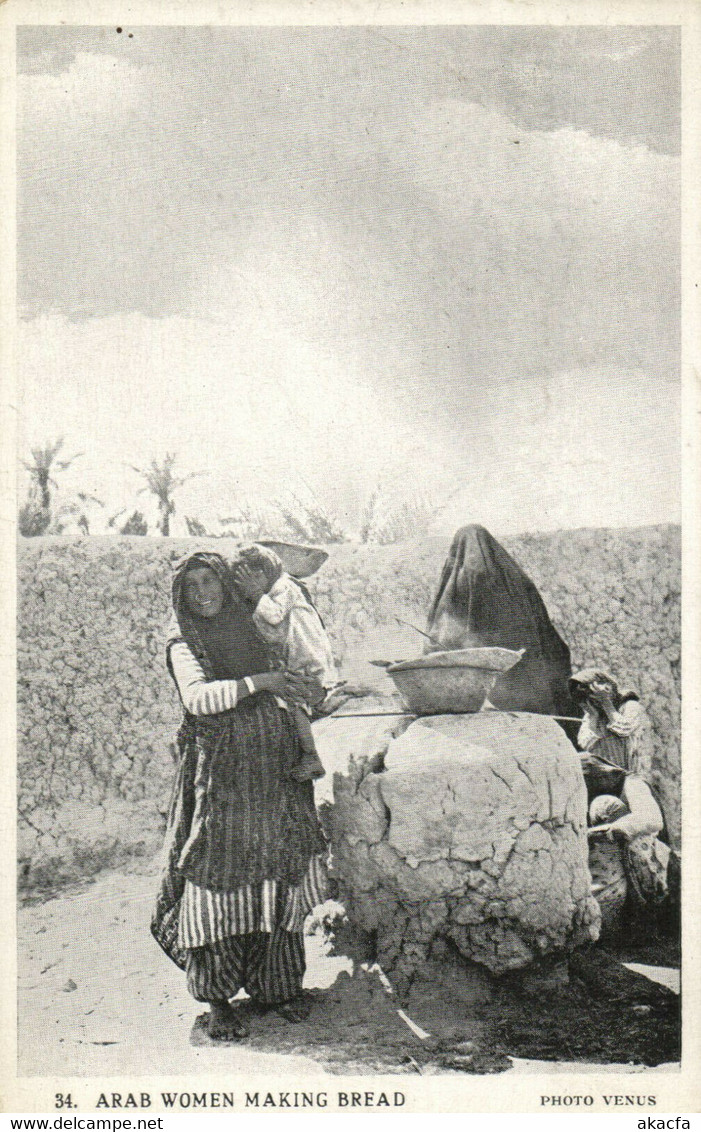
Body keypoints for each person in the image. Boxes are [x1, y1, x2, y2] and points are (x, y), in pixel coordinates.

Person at [151, 550, 327, 1042]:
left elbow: (295, 660)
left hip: (275, 771)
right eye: (194, 586)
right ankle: (217, 1000)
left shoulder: (253, 626)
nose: (205, 593)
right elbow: (199, 699)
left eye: (212, 582)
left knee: (277, 871)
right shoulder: (183, 643)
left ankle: (278, 987)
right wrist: (260, 683)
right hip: (223, 777)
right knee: (217, 877)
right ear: (182, 596)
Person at [425, 524, 576, 716]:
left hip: (481, 691)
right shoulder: (516, 580)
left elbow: (440, 638)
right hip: (528, 683)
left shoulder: (456, 583)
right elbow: (548, 636)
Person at [569, 669, 672, 918]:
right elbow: (586, 743)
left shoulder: (630, 706)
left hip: (626, 778)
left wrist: (607, 705)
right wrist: (594, 715)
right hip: (604, 781)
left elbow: (624, 729)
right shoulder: (591, 715)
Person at [232, 543, 339, 782]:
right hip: (299, 660)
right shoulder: (270, 594)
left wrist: (256, 594)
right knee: (294, 702)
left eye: (249, 581)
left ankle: (311, 756)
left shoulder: (286, 587)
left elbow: (274, 615)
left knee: (295, 703)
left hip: (308, 659)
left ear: (262, 574)